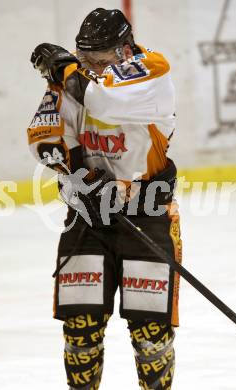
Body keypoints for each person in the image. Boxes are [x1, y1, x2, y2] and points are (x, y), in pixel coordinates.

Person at [27, 8, 182, 390]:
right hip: (87, 218)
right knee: (81, 330)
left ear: (125, 49)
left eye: (100, 59)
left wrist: (65, 70)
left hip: (146, 214)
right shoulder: (76, 76)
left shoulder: (153, 71)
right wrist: (80, 177)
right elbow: (44, 136)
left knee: (151, 336)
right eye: (85, 59)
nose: (91, 66)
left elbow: (103, 101)